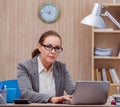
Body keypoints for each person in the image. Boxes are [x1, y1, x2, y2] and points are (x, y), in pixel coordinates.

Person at [17, 30, 75, 103]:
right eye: (48, 46)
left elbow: (72, 91)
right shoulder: (24, 66)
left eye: (57, 48)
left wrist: (85, 93)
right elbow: (26, 94)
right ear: (39, 47)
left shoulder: (61, 67)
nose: (53, 51)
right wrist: (52, 99)